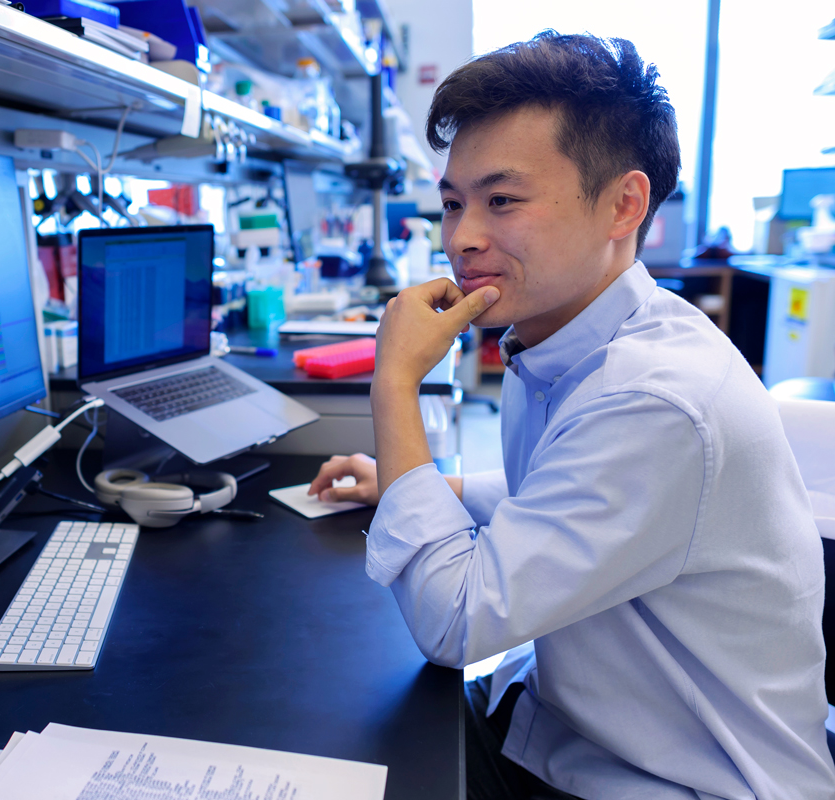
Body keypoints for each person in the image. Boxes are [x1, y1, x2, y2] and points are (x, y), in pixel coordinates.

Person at [309, 31, 835, 799]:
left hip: (667, 781)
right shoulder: (571, 334)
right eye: (453, 204)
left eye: (503, 200)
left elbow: (452, 624)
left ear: (624, 204)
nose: (462, 239)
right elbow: (559, 487)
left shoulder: (653, 398)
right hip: (565, 728)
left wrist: (395, 383)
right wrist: (418, 485)